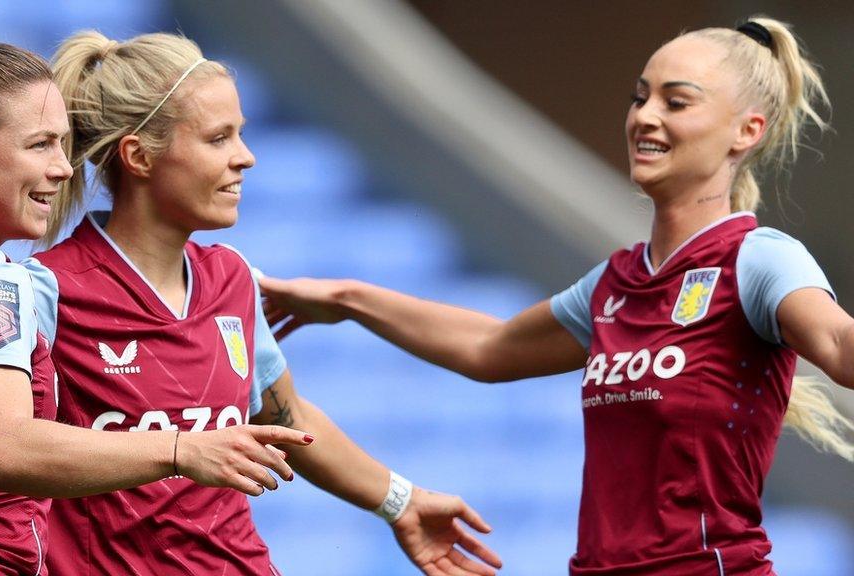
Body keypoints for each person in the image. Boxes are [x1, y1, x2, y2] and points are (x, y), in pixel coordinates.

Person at [0, 33, 503, 576]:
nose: (245, 158)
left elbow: (286, 420)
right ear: (140, 155)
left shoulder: (233, 279)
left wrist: (399, 500)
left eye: (240, 134)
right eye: (218, 138)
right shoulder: (33, 288)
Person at [258, 17, 854, 576]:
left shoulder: (758, 259)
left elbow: (837, 343)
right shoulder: (614, 283)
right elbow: (487, 347)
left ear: (747, 131)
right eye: (640, 97)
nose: (645, 117)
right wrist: (345, 298)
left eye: (676, 102)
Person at [0, 43, 313, 575]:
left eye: (62, 144)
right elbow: (3, 451)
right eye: (39, 145)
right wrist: (180, 449)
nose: (64, 169)